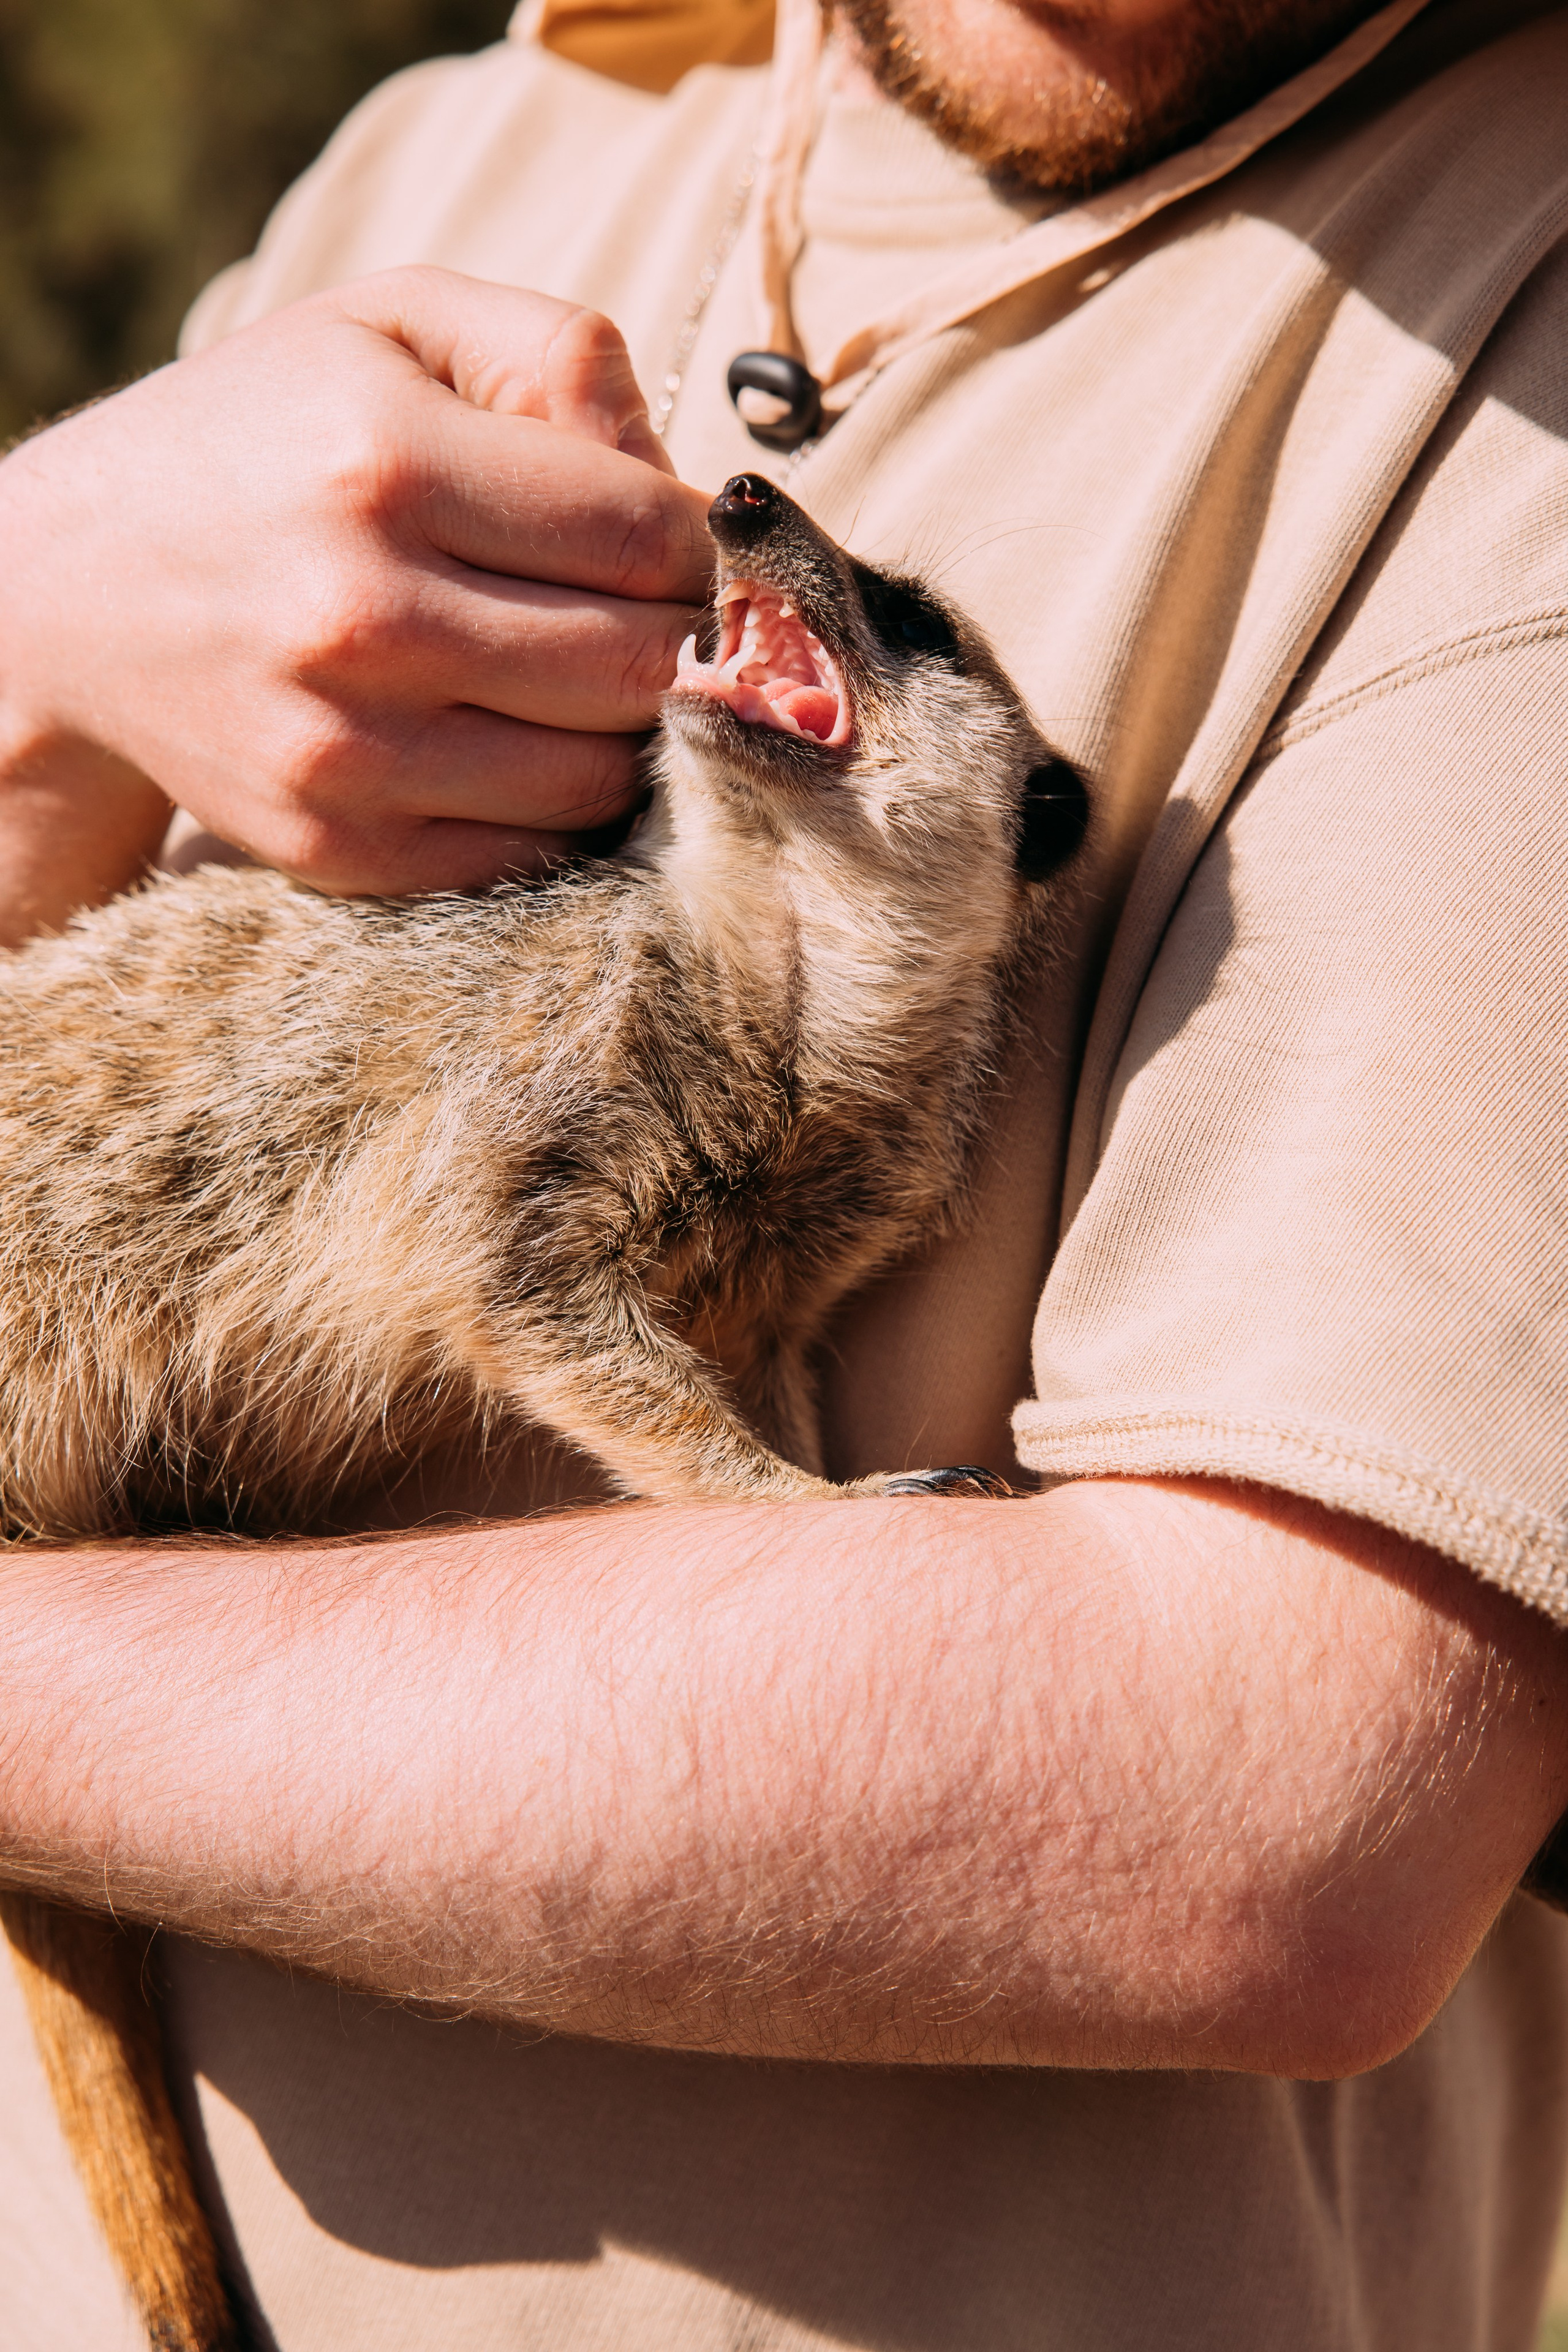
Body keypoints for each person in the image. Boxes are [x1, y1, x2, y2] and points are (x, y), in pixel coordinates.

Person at [1, 0, 1567, 2342]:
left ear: (1030, 834)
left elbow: (1281, 1824)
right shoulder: (467, 143)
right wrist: (34, 613)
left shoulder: (1515, 325)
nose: (761, 553)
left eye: (894, 628)